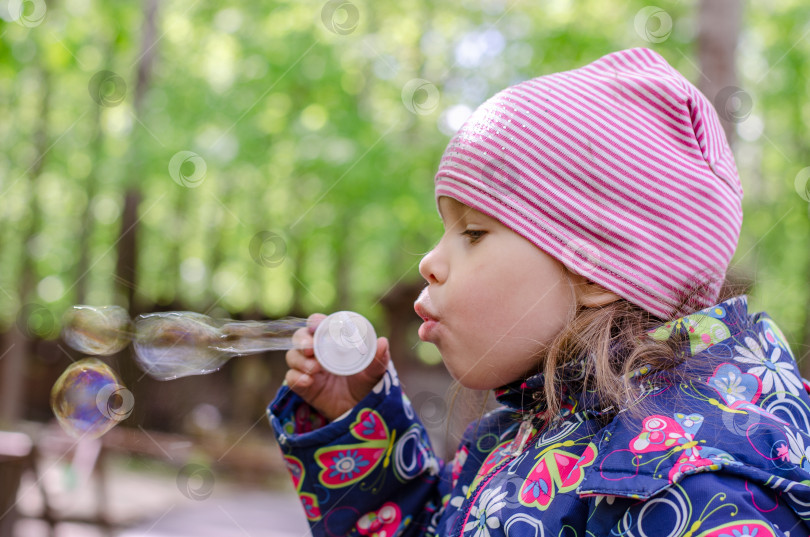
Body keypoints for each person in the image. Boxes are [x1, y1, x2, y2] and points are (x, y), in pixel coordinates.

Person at [268, 47, 810, 536]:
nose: (429, 262)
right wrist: (358, 424)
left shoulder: (700, 492)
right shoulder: (519, 432)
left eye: (474, 232)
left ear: (594, 273)